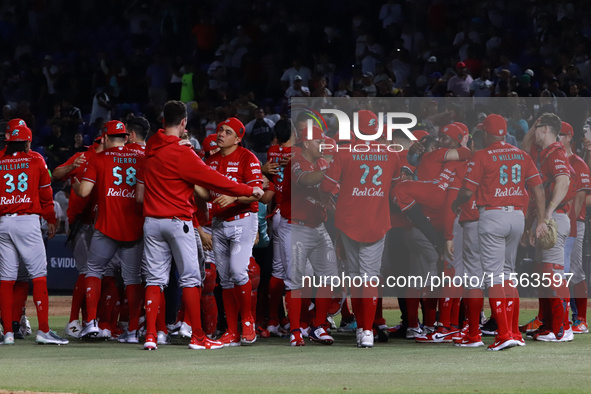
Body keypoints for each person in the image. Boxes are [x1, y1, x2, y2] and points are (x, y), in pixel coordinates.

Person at [137, 101, 263, 351]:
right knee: (191, 280)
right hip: (177, 222)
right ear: (184, 123)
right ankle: (198, 336)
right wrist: (249, 190)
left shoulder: (152, 145)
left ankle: (151, 336)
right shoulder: (184, 154)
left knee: (154, 280)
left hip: (151, 223)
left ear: (164, 122)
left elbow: (159, 140)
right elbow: (215, 179)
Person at [452, 114, 547, 350]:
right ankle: (514, 331)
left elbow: (466, 192)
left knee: (493, 276)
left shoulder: (482, 155)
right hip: (517, 216)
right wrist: (542, 219)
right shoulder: (521, 155)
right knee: (508, 274)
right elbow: (538, 188)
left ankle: (504, 334)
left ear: (486, 134)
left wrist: (456, 204)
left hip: (493, 215)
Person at [320, 110, 401, 348]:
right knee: (369, 278)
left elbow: (326, 187)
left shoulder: (343, 152)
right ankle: (367, 329)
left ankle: (361, 330)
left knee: (355, 277)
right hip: (376, 220)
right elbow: (394, 185)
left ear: (355, 130)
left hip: (348, 221)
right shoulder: (392, 154)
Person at [74, 121, 145, 343]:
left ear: (104, 138)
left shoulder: (98, 158)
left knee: (94, 270)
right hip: (134, 227)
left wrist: (75, 184)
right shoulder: (141, 157)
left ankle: (91, 322)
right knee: (133, 278)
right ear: (126, 137)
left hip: (106, 226)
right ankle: (133, 330)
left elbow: (84, 192)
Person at [0, 124, 69, 345]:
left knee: (6, 278)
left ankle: (8, 333)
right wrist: (50, 219)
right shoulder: (36, 159)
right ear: (28, 141)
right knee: (38, 276)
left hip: (3, 223)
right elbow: (46, 194)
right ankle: (44, 331)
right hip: (27, 221)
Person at [205, 117, 263, 346]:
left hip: (242, 220)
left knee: (240, 271)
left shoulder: (248, 158)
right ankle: (231, 331)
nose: (221, 134)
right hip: (218, 223)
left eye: (228, 132)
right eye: (220, 130)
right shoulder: (211, 161)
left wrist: (234, 197)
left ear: (239, 139)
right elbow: (204, 193)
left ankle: (247, 320)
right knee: (226, 279)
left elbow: (257, 191)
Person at [281, 125, 336, 346]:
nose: (322, 145)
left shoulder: (321, 163)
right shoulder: (295, 159)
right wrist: (334, 170)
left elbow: (327, 195)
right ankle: (295, 330)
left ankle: (319, 326)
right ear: (305, 143)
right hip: (296, 227)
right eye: (317, 141)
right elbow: (306, 180)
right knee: (295, 281)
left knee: (329, 277)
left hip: (318, 227)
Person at [522, 113, 575, 342]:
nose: (534, 132)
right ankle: (548, 324)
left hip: (555, 218)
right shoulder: (542, 152)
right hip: (543, 219)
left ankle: (564, 328)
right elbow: (524, 147)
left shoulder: (555, 151)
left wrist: (547, 214)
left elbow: (564, 181)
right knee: (543, 273)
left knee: (553, 274)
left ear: (545, 129)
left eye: (536, 127)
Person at [558, 122, 590, 334]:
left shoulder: (578, 163)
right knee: (555, 271)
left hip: (574, 222)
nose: (556, 137)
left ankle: (580, 319)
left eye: (560, 134)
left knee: (574, 272)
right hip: (556, 223)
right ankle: (552, 317)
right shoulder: (552, 160)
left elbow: (587, 197)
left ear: (569, 137)